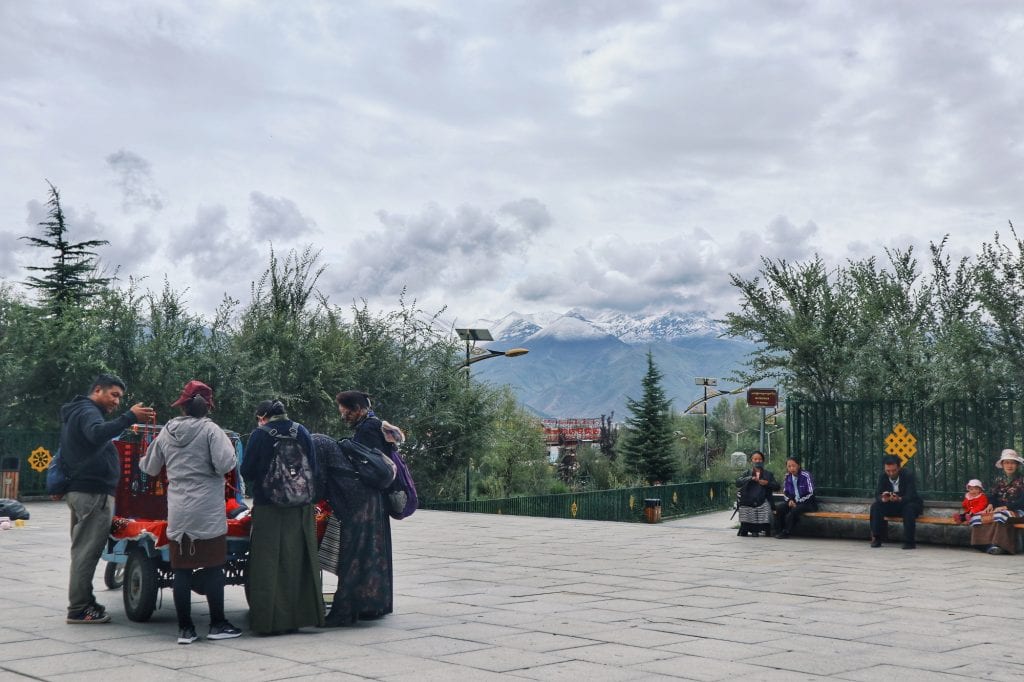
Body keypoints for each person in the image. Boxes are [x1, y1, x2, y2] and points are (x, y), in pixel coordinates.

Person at [139, 380, 242, 644]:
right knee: (213, 567)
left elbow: (149, 467)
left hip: (179, 509)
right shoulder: (211, 430)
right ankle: (217, 624)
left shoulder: (167, 431)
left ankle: (185, 629)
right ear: (206, 407)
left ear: (183, 405)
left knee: (181, 570)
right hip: (207, 509)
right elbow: (225, 464)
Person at [60, 374, 155, 624]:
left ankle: (85, 602)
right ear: (97, 390)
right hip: (92, 493)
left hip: (84, 490)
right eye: (113, 395)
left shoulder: (79, 411)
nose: (116, 401)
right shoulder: (88, 411)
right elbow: (96, 434)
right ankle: (79, 608)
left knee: (83, 550)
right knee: (87, 552)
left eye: (120, 398)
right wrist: (130, 417)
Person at [240, 399, 324, 634]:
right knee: (298, 562)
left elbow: (246, 470)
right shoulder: (303, 431)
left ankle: (269, 621)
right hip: (301, 508)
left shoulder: (261, 434)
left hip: (269, 508)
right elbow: (314, 470)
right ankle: (301, 616)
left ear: (263, 416)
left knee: (267, 565)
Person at [317, 389, 395, 626]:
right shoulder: (374, 424)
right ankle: (371, 604)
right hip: (374, 499)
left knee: (356, 553)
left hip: (365, 500)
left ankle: (347, 609)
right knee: (371, 553)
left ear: (358, 409)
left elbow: (364, 465)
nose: (343, 416)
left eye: (345, 411)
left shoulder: (368, 429)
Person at [970, 449, 1024, 555]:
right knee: (977, 517)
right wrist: (990, 504)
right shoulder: (999, 480)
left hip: (1019, 510)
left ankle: (1002, 546)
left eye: (1012, 462)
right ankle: (983, 545)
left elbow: (1022, 500)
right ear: (1002, 465)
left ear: (1017, 465)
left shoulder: (1022, 480)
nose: (1009, 465)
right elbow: (993, 496)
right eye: (1007, 462)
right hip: (1000, 510)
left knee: (1001, 516)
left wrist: (1007, 507)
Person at [869, 454, 923, 549]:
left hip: (908, 503)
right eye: (888, 471)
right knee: (875, 506)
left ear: (899, 468)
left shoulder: (908, 475)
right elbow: (877, 494)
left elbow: (911, 495)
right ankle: (876, 538)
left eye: (894, 470)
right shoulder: (882, 476)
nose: (891, 473)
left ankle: (909, 542)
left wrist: (900, 498)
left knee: (909, 509)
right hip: (892, 504)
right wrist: (883, 498)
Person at [735, 451, 779, 537]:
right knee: (746, 507)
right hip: (748, 500)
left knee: (765, 506)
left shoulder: (768, 474)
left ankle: (761, 529)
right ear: (751, 461)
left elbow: (777, 486)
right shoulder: (747, 473)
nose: (757, 461)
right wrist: (750, 478)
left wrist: (767, 483)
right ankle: (747, 529)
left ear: (763, 461)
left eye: (760, 459)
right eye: (755, 459)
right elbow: (738, 482)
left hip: (763, 499)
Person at [774, 456, 818, 538]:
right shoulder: (788, 476)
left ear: (798, 465)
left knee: (794, 511)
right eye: (789, 466)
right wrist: (790, 500)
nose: (791, 468)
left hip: (807, 503)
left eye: (793, 466)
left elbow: (811, 493)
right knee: (779, 508)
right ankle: (778, 530)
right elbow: (786, 492)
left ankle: (786, 532)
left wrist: (797, 503)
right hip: (793, 501)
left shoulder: (806, 475)